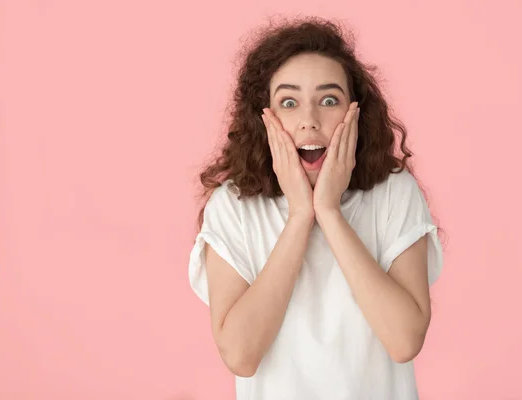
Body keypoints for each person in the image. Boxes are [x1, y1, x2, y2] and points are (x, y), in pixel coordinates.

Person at [188, 16, 443, 400]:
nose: (309, 121)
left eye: (329, 100)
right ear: (265, 119)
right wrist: (300, 217)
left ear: (354, 112)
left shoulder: (394, 193)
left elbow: (405, 340)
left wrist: (329, 212)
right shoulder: (232, 206)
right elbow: (240, 355)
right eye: (289, 103)